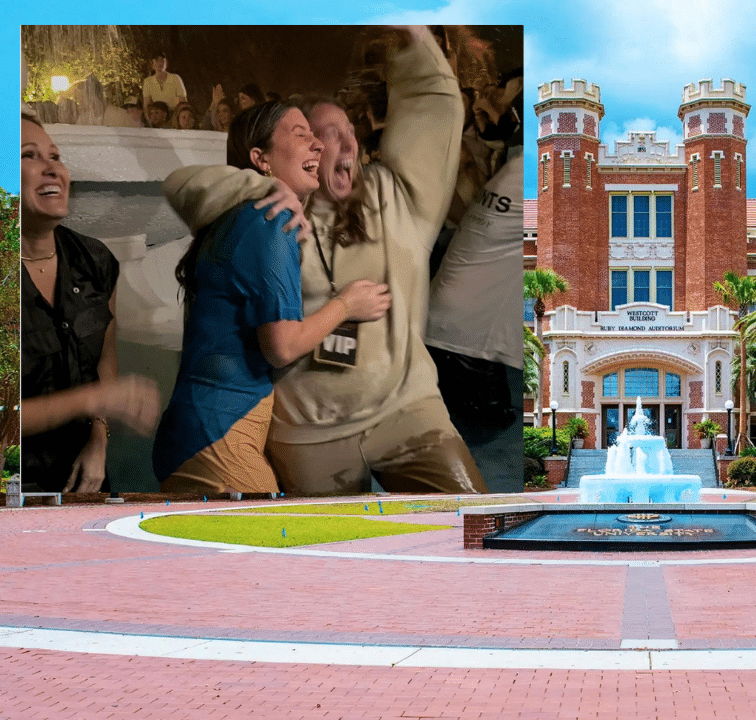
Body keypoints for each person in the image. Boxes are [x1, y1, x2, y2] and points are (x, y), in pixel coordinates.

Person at [165, 26, 486, 495]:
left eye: (349, 132)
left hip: (407, 411)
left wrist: (411, 32)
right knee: (329, 555)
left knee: (471, 520)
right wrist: (262, 186)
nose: (343, 144)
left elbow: (432, 102)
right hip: (304, 433)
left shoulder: (395, 197)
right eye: (321, 134)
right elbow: (181, 185)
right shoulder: (274, 215)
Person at [154, 101, 391, 494]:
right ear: (260, 159)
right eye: (301, 135)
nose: (317, 145)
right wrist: (348, 304)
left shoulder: (240, 214)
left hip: (200, 428)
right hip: (219, 433)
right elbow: (281, 347)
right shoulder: (271, 219)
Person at [20, 113, 161, 493]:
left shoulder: (95, 261)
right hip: (14, 488)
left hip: (84, 481)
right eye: (29, 156)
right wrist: (94, 399)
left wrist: (98, 438)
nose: (52, 168)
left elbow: (104, 359)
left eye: (55, 156)